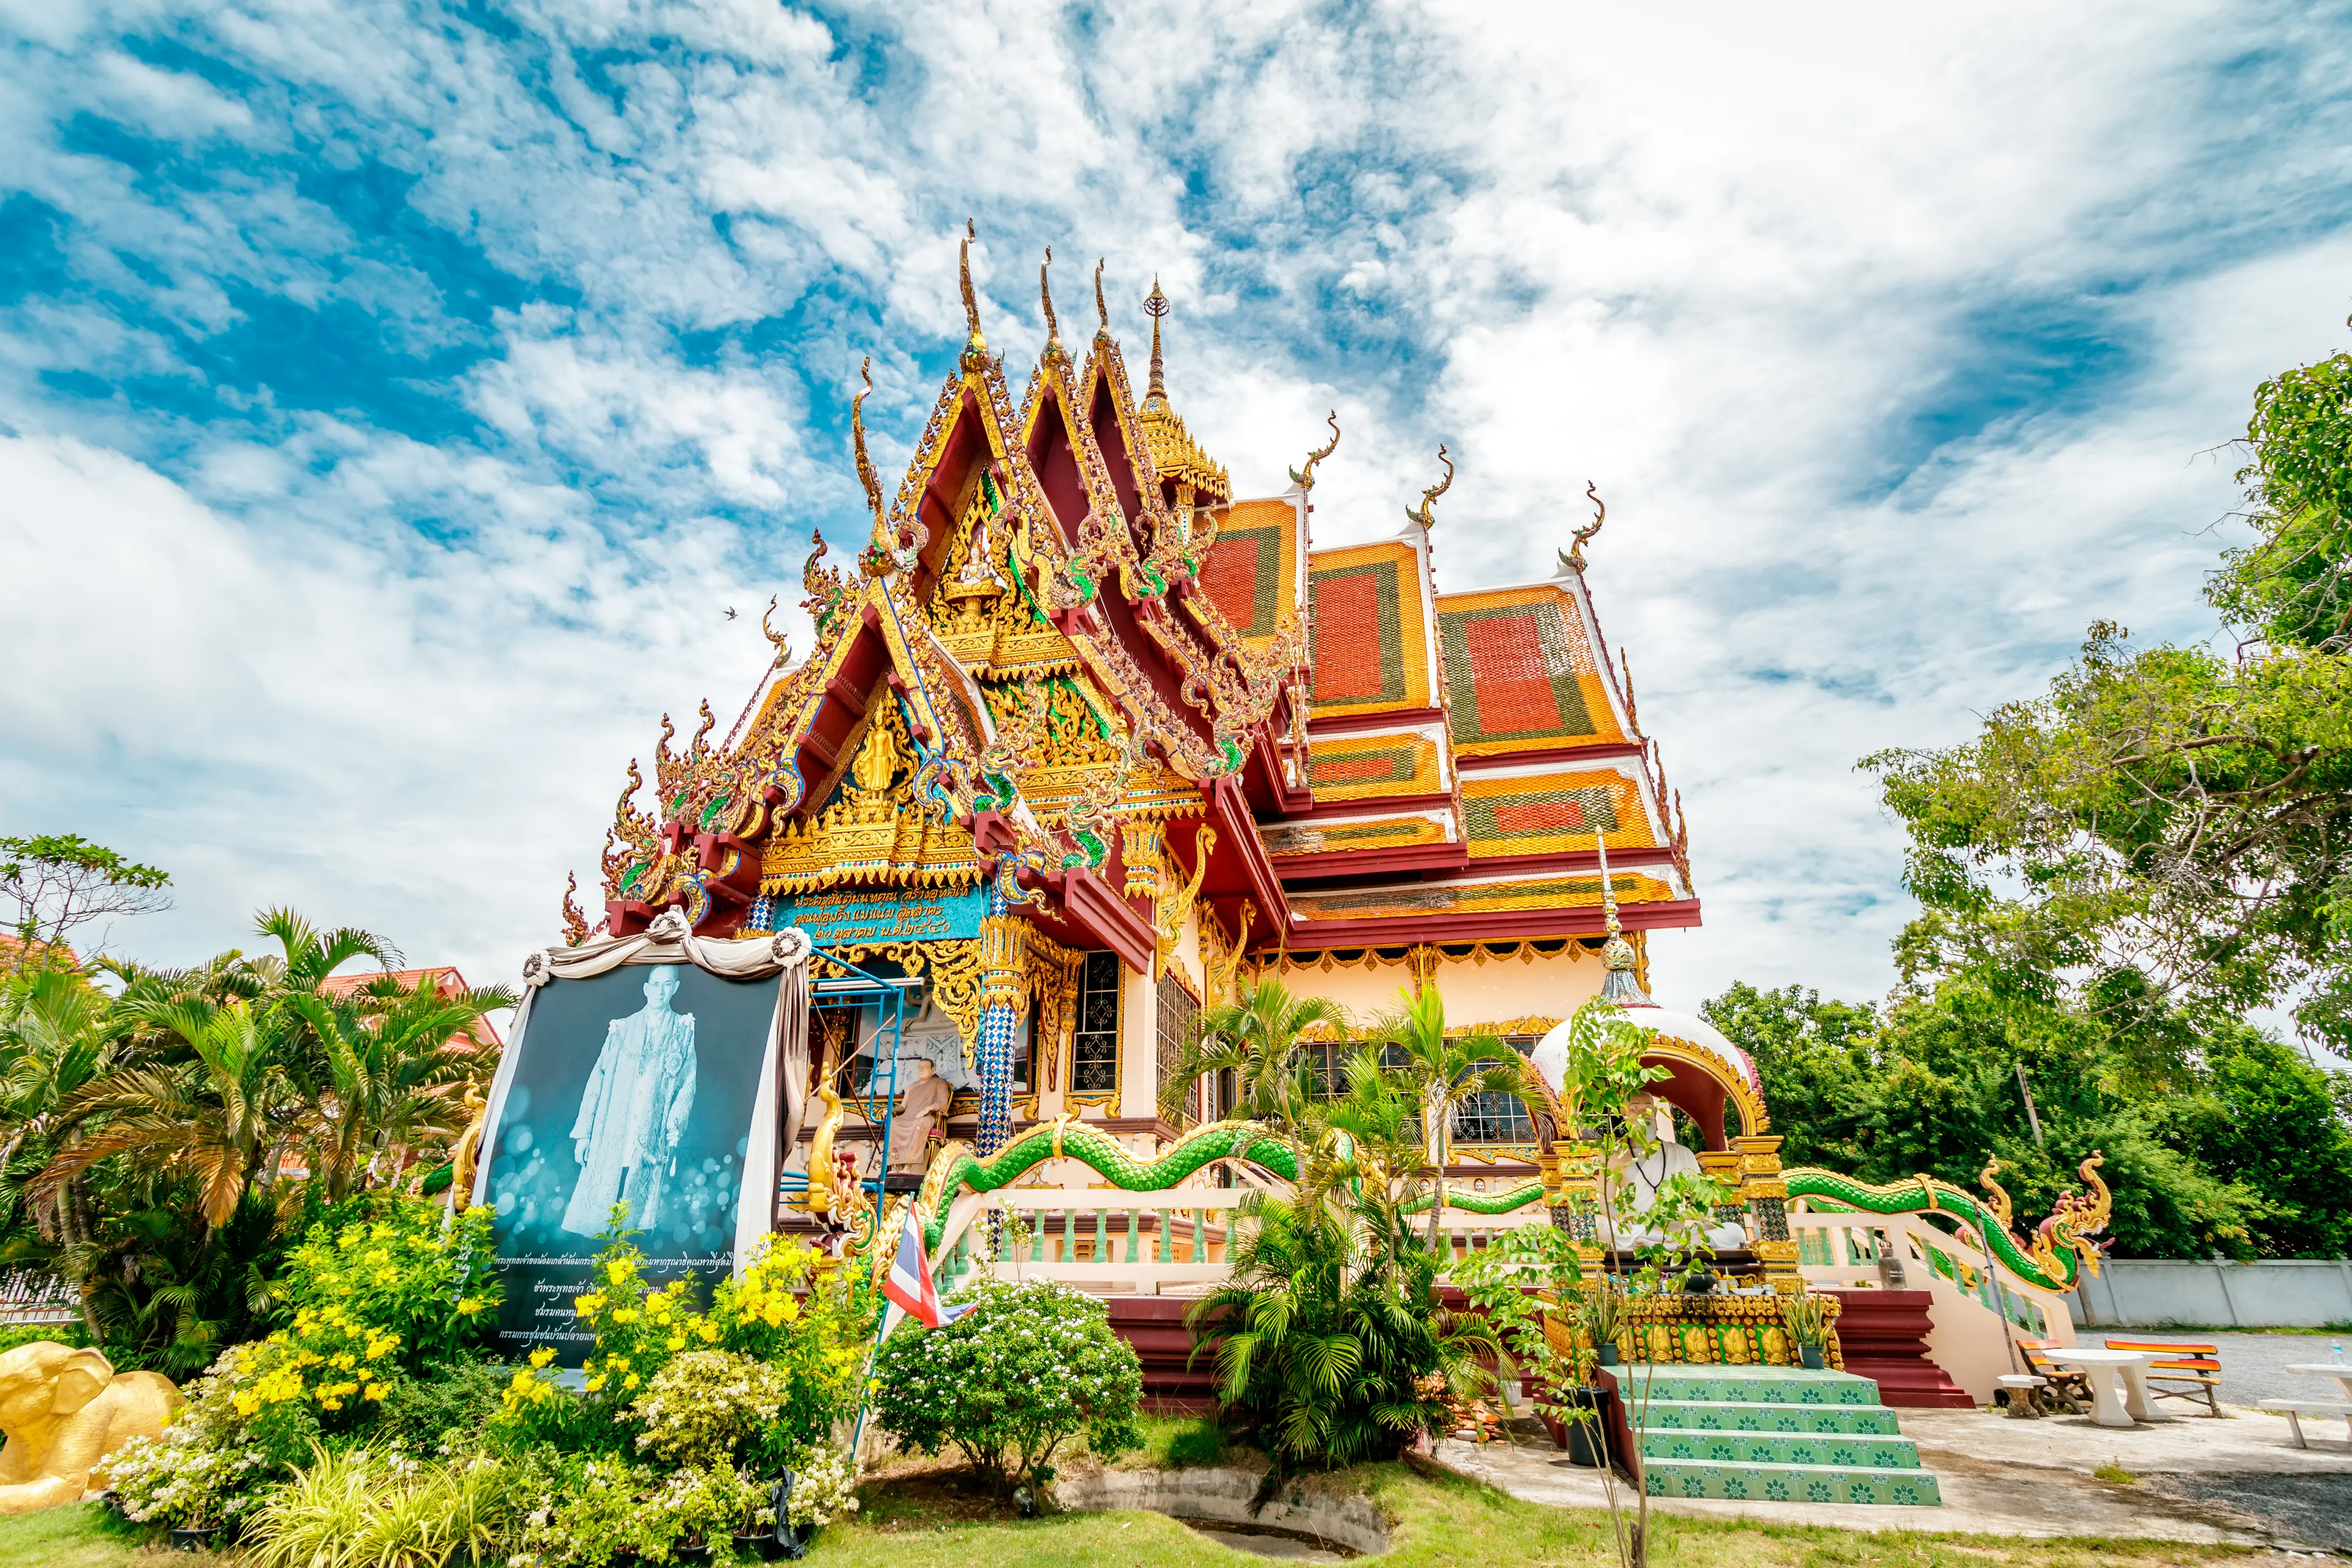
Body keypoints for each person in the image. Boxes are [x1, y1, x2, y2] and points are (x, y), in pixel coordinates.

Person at [562, 965, 698, 1235]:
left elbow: (688, 1080)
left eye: (667, 985)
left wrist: (675, 1122)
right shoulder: (621, 1029)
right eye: (655, 984)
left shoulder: (683, 1029)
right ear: (646, 989)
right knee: (602, 1199)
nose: (660, 991)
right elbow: (596, 1082)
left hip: (651, 1132)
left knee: (636, 1222)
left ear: (675, 988)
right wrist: (583, 1135)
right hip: (612, 1129)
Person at [886, 1057, 954, 1174]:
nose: (921, 1070)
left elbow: (942, 1104)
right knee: (893, 1123)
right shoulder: (911, 1087)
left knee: (919, 1124)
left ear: (933, 1070)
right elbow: (903, 1107)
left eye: (925, 1067)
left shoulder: (939, 1083)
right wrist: (891, 1110)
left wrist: (929, 1108)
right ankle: (897, 1165)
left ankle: (908, 1166)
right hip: (908, 1116)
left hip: (926, 1117)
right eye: (919, 1067)